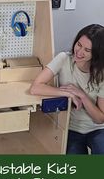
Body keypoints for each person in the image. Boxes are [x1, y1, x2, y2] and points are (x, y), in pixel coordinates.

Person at [30, 24, 104, 154]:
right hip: (71, 127)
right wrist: (67, 93)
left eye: (87, 50)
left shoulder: (101, 74)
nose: (79, 52)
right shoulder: (64, 58)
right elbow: (35, 88)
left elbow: (99, 119)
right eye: (79, 45)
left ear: (97, 53)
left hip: (97, 129)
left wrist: (82, 96)